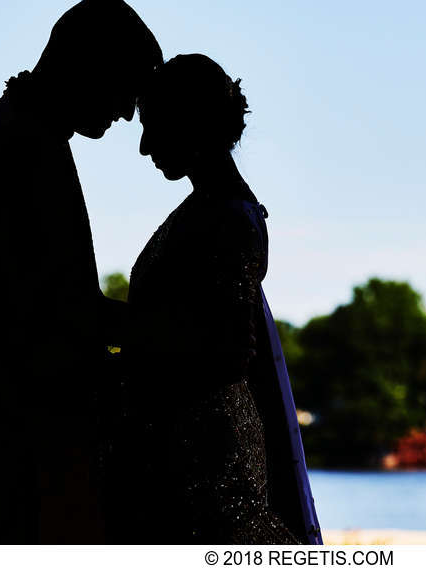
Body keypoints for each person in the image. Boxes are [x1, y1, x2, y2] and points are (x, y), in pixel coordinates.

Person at [0, 0, 163, 544]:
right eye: (124, 90)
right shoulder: (21, 147)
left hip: (4, 448)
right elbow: (57, 310)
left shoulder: (10, 133)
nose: (127, 114)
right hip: (22, 462)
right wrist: (174, 333)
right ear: (88, 65)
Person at [109, 54, 321, 544]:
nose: (144, 148)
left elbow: (227, 351)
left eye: (153, 127)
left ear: (191, 125)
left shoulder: (227, 219)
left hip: (206, 457)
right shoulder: (214, 211)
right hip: (194, 447)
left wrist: (113, 335)